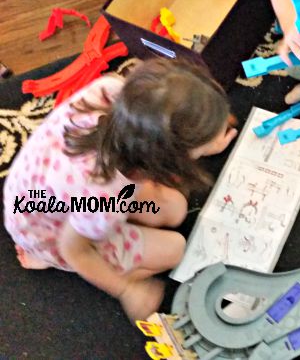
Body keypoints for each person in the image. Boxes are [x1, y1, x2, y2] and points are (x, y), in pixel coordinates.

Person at [3, 58, 238, 322]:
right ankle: (42, 256)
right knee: (175, 248)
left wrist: (208, 134)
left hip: (42, 191)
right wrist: (126, 290)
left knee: (176, 209)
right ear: (163, 157)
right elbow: (73, 249)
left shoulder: (112, 90)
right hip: (54, 232)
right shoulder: (104, 195)